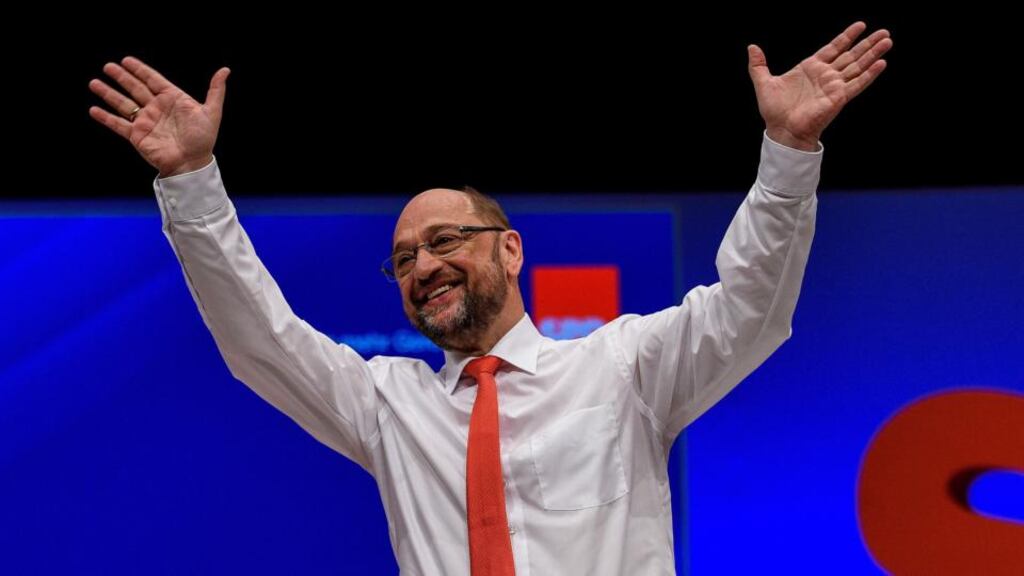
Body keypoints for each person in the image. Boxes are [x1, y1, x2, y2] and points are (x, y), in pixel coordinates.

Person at [89, 22, 891, 575]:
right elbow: (258, 337)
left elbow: (750, 308)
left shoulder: (624, 370)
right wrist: (191, 182)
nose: (423, 266)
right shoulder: (387, 404)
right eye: (404, 259)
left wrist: (789, 151)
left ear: (510, 249)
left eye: (445, 241)